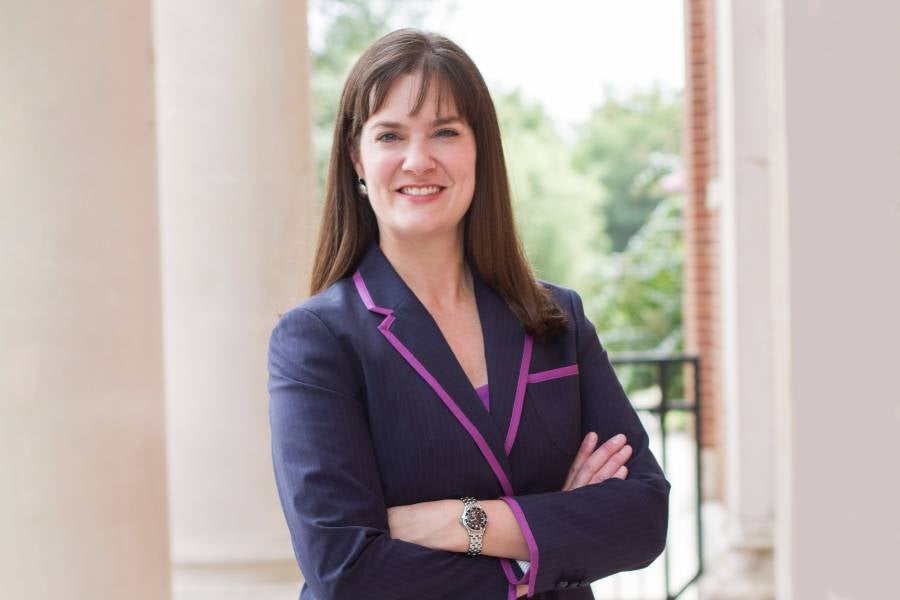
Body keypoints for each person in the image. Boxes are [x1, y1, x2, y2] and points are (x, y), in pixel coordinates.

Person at [267, 28, 670, 600]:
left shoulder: (558, 320)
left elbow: (643, 517)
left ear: (480, 149)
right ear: (357, 159)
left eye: (445, 132)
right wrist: (545, 545)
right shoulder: (316, 340)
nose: (418, 159)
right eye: (390, 135)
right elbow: (347, 570)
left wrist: (461, 524)